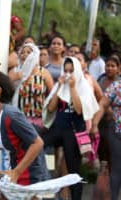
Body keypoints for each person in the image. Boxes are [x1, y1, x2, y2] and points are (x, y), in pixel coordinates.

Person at [0, 69, 50, 189]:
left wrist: (17, 172)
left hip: (27, 178)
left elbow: (38, 143)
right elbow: (1, 138)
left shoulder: (10, 115)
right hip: (9, 176)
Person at [43, 57, 99, 200]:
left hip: (74, 131)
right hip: (58, 128)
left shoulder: (83, 86)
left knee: (73, 170)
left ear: (77, 71)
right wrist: (60, 86)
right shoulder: (60, 84)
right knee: (39, 145)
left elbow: (80, 110)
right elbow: (50, 108)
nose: (68, 74)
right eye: (65, 70)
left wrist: (73, 88)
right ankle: (46, 192)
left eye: (71, 71)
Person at [9, 43, 54, 133]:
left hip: (37, 120)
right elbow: (6, 91)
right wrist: (15, 78)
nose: (25, 54)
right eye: (22, 52)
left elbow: (52, 94)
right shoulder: (14, 71)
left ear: (35, 55)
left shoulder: (44, 72)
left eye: (29, 52)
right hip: (17, 118)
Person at [91, 80, 121, 200]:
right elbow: (102, 104)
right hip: (117, 134)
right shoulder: (117, 85)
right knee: (117, 168)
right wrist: (94, 124)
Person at [96, 56, 120, 164]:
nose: (109, 68)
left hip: (114, 121)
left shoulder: (118, 84)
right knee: (101, 146)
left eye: (113, 66)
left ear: (118, 69)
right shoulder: (100, 80)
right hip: (100, 118)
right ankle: (104, 170)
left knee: (112, 148)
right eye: (107, 66)